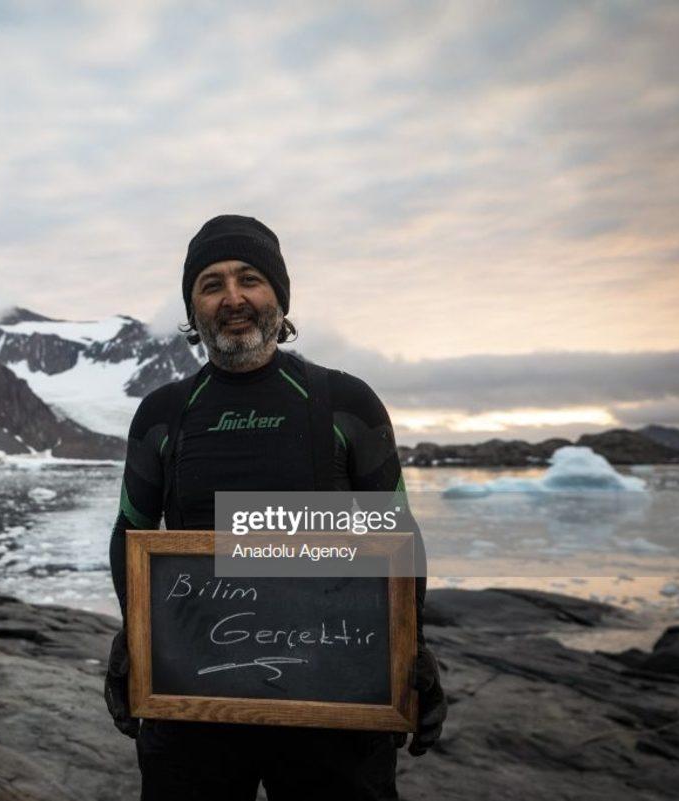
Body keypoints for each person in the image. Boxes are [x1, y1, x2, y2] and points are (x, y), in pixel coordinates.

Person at [104, 215, 447, 801]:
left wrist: (410, 651)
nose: (232, 298)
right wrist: (133, 641)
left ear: (279, 297)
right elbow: (131, 532)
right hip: (194, 696)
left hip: (331, 696)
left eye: (250, 279)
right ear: (193, 309)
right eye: (210, 285)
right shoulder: (163, 413)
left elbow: (396, 535)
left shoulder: (348, 402)